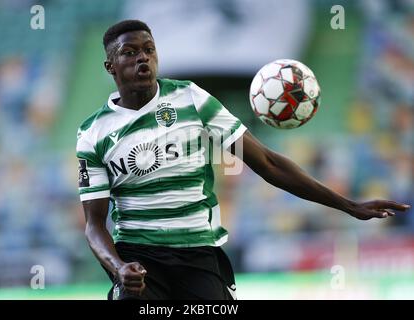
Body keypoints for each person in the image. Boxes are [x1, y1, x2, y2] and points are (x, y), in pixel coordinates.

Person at [76, 20, 410, 300]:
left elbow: (267, 163)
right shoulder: (93, 133)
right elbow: (94, 225)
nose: (143, 59)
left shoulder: (190, 98)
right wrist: (118, 267)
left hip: (199, 254)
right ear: (110, 66)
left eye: (149, 49)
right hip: (139, 259)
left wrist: (348, 205)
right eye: (130, 53)